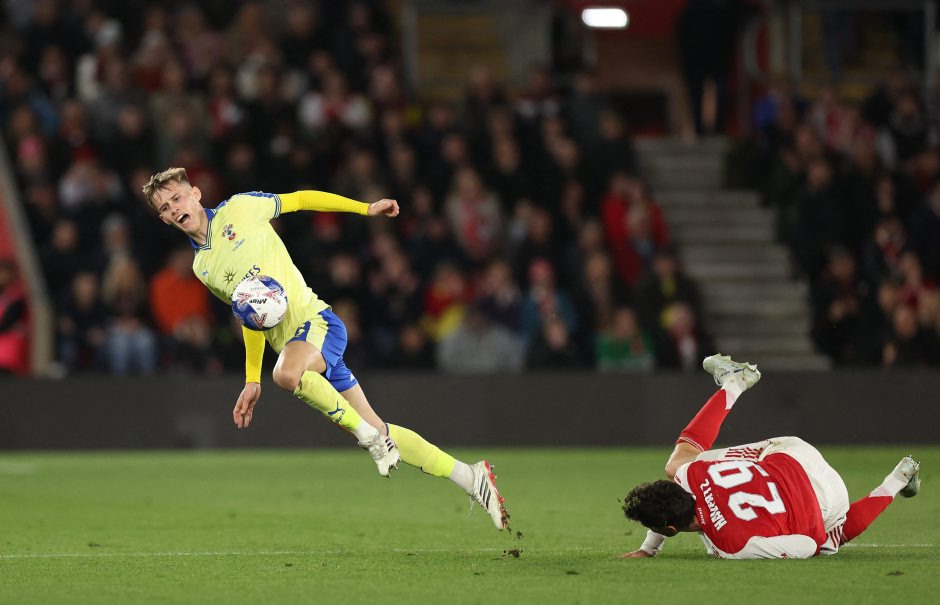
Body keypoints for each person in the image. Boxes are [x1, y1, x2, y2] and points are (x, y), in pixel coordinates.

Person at [141, 167, 507, 530]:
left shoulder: (240, 208)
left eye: (177, 198)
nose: (175, 208)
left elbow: (302, 199)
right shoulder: (203, 267)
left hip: (318, 324)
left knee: (286, 375)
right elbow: (250, 316)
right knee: (379, 428)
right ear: (163, 219)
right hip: (299, 351)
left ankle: (370, 440)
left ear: (196, 194)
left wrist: (365, 208)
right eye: (165, 208)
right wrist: (251, 379)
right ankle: (472, 477)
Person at [621, 354, 921, 559]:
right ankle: (735, 383)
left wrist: (650, 548)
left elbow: (807, 544)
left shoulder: (734, 547)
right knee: (679, 463)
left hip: (831, 500)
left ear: (671, 530)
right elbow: (674, 487)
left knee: (828, 541)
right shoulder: (690, 476)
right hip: (793, 453)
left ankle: (898, 479)